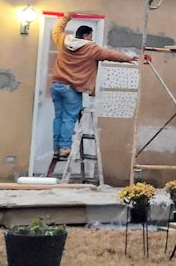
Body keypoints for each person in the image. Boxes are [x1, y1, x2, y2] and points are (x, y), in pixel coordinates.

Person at [51, 13, 137, 159]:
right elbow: (109, 54)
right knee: (69, 118)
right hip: (72, 89)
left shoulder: (63, 40)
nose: (91, 39)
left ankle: (56, 148)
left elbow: (56, 30)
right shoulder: (91, 48)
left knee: (58, 117)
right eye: (90, 36)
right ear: (85, 36)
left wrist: (66, 18)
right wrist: (128, 58)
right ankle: (64, 148)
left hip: (57, 86)